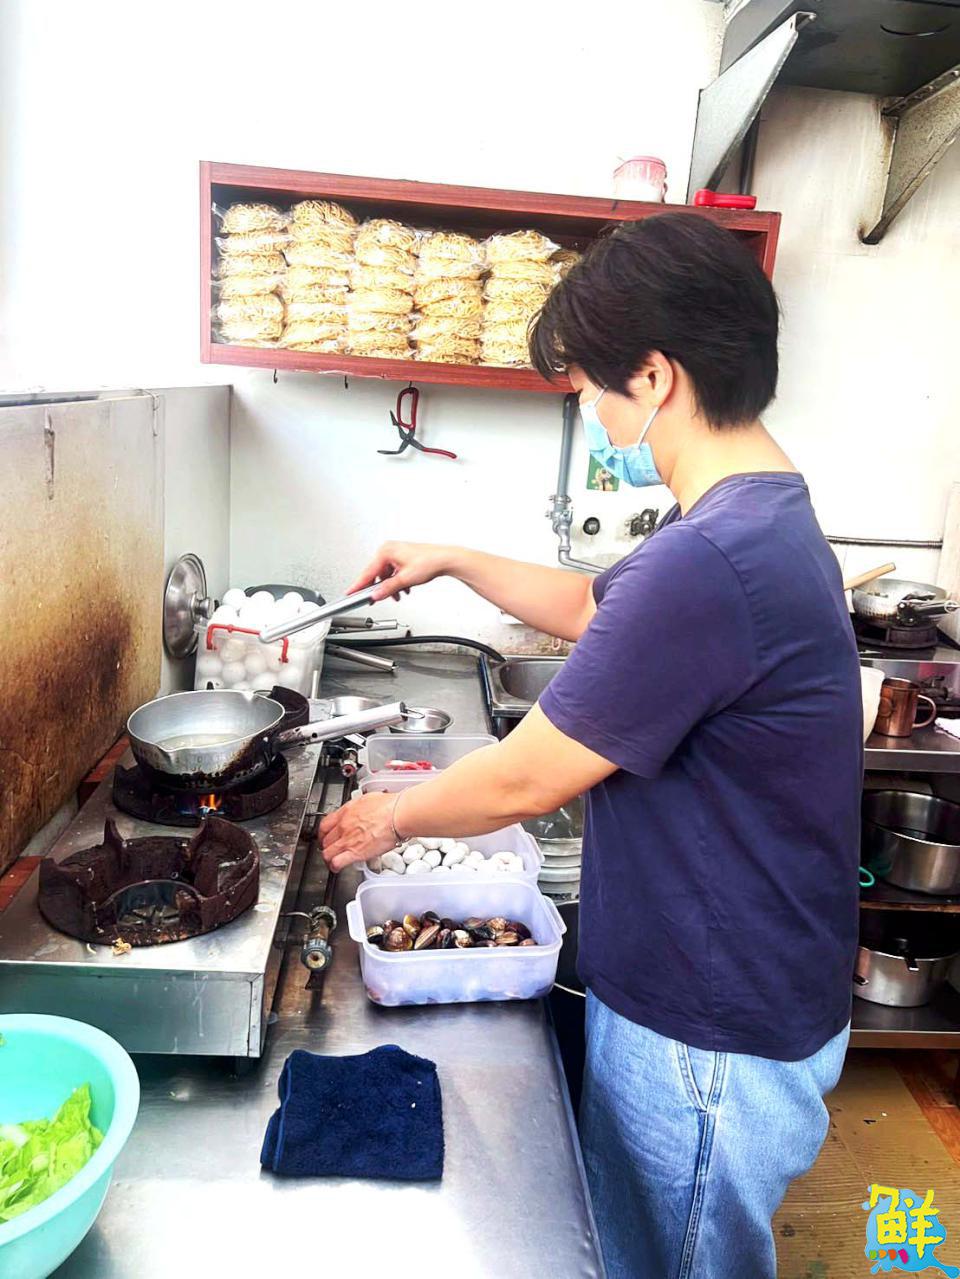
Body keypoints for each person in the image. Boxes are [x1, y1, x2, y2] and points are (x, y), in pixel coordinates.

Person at [319, 213, 862, 1279]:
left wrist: (384, 815)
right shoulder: (757, 517)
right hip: (744, 1000)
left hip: (705, 1037)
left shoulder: (709, 557)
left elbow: (526, 775)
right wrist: (454, 559)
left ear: (653, 376)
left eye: (590, 386)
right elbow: (587, 600)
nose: (591, 407)